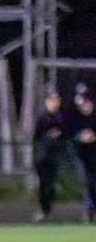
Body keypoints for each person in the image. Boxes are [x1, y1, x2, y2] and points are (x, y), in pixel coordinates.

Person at [32, 87, 73, 222]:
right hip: (43, 157)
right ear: (47, 102)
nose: (54, 103)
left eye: (56, 100)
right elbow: (36, 138)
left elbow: (68, 134)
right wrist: (47, 138)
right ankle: (43, 210)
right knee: (44, 185)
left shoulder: (63, 117)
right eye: (52, 100)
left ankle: (48, 210)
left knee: (51, 185)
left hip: (56, 157)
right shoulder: (42, 119)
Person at [71, 84, 96, 224]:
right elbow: (71, 135)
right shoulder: (76, 118)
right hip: (82, 156)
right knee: (88, 183)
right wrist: (80, 137)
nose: (85, 106)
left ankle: (91, 210)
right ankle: (89, 211)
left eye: (87, 103)